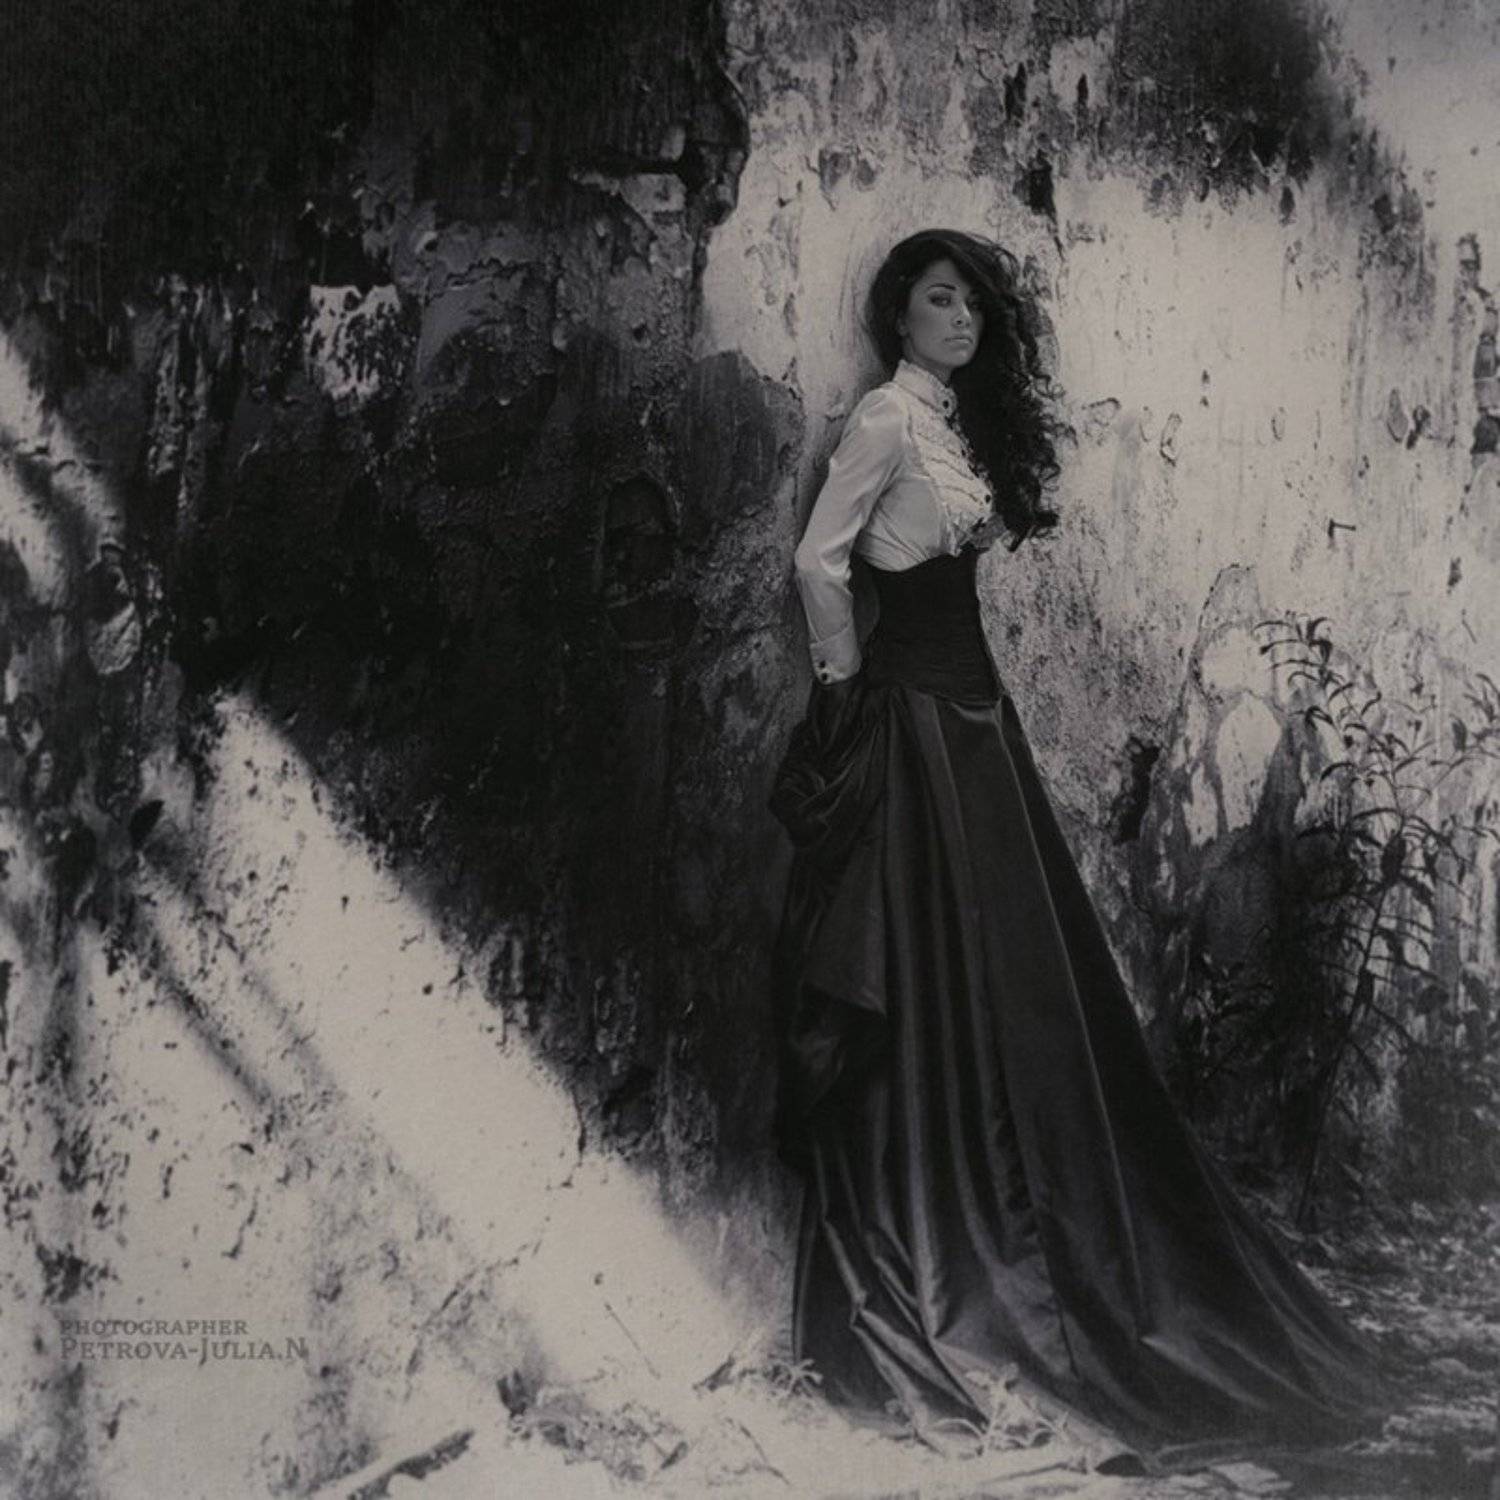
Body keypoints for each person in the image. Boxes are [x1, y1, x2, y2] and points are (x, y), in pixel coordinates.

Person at [767, 229, 1396, 1471]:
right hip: (914, 727)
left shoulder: (947, 424)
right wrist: (842, 690)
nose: (961, 319)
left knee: (1020, 988)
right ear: (899, 315)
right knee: (927, 983)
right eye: (939, 300)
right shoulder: (886, 420)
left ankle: (1038, 1235)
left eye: (974, 305)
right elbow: (816, 561)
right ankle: (946, 1248)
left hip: (976, 727)